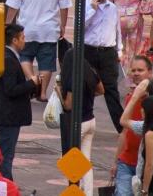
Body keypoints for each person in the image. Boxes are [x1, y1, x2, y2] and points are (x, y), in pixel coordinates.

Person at [5, 0, 71, 101]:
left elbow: (13, 5)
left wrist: (8, 23)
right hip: (49, 30)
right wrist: (62, 25)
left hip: (27, 29)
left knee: (25, 56)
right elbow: (64, 7)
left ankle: (32, 81)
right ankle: (42, 93)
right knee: (46, 62)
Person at [0, 23, 37, 180]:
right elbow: (11, 89)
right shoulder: (9, 60)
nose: (25, 41)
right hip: (9, 116)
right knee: (6, 155)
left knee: (7, 154)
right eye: (22, 38)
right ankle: (6, 185)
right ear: (15, 40)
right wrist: (31, 83)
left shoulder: (10, 57)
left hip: (9, 115)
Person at [59, 45, 103, 195]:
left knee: (73, 162)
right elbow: (101, 90)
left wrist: (59, 92)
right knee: (86, 160)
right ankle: (88, 192)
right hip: (91, 120)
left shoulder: (72, 76)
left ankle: (75, 190)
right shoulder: (90, 72)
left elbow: (68, 105)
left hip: (79, 123)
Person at [83, 0, 123, 132]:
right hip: (89, 50)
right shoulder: (86, 6)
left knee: (111, 89)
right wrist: (92, 10)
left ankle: (121, 127)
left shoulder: (112, 7)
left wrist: (119, 49)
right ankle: (85, 121)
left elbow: (117, 29)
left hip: (107, 52)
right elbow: (82, 28)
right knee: (87, 88)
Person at [118, 87, 153, 196]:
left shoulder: (150, 135)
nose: (141, 110)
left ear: (149, 111)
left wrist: (145, 190)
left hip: (152, 187)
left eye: (143, 108)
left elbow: (149, 164)